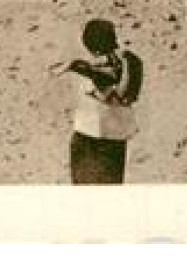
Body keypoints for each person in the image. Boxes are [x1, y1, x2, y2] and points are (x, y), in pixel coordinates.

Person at [49, 19, 142, 185]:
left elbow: (118, 93)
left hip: (90, 141)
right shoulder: (128, 62)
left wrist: (75, 66)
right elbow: (126, 95)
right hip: (112, 141)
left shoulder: (93, 70)